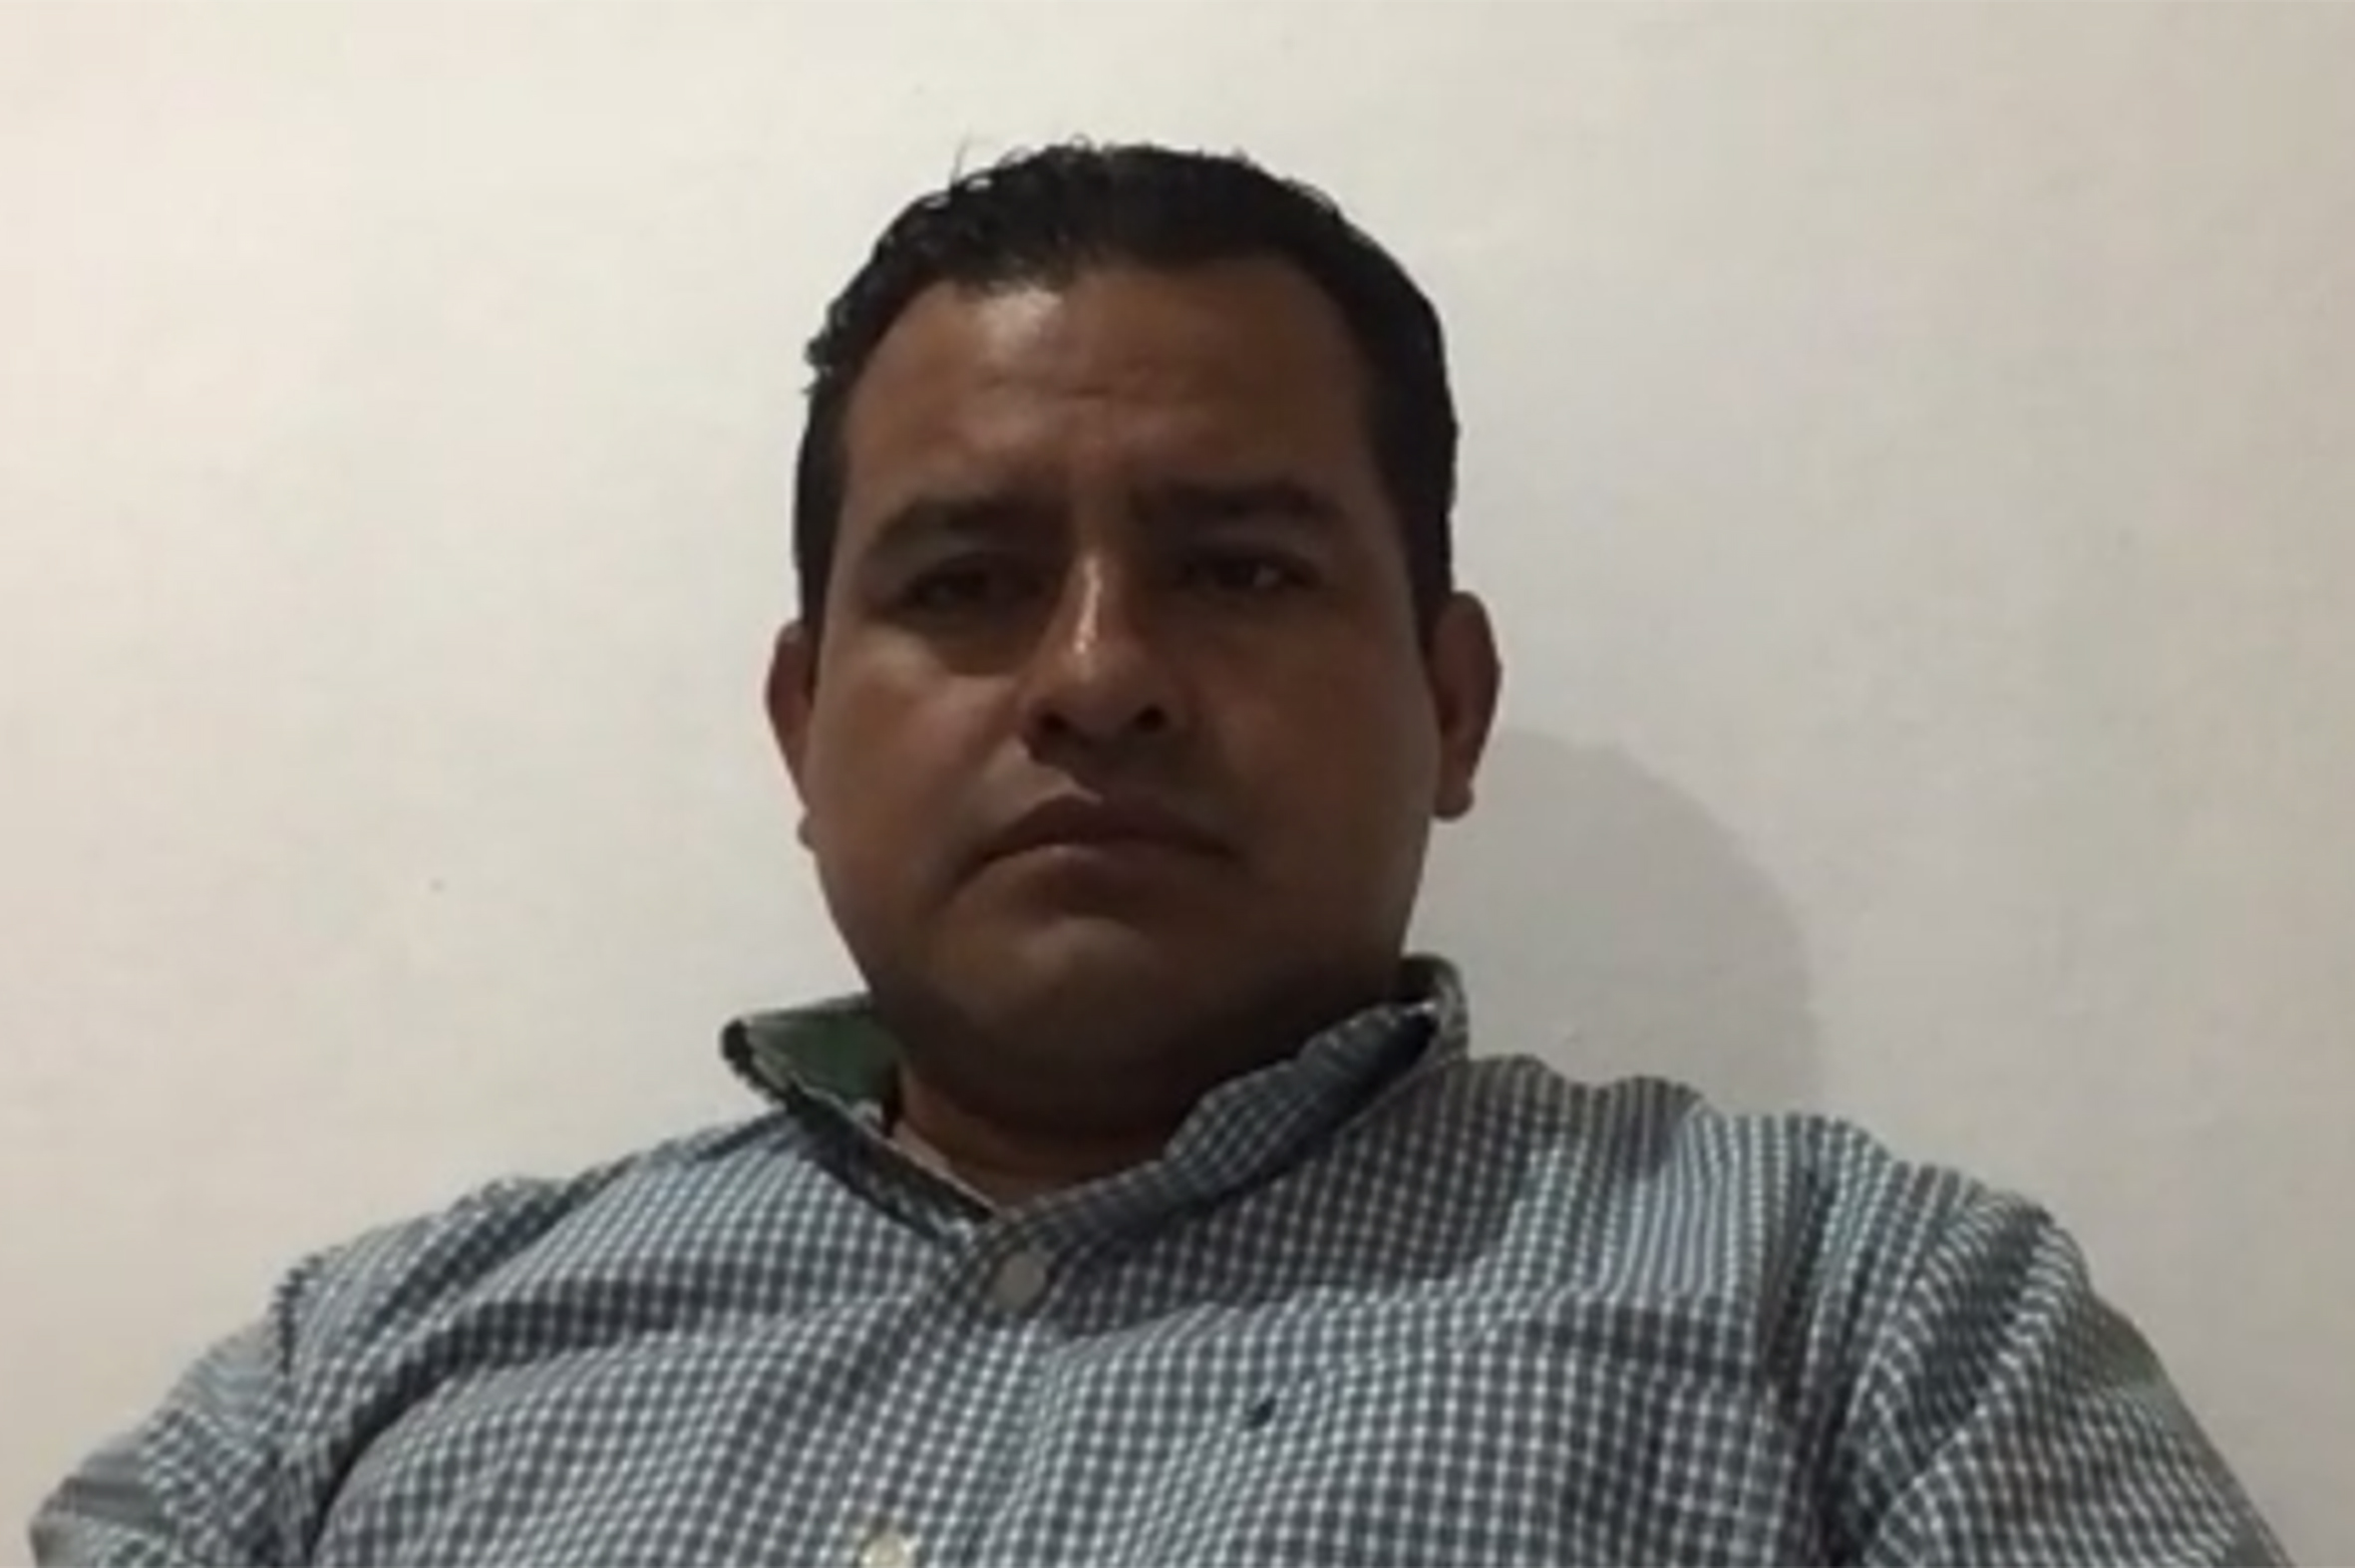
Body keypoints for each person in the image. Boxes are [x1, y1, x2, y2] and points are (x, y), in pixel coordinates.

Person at [33, 142, 2284, 1568]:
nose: (1098, 676)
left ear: (1451, 703)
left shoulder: (1864, 1317)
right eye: (965, 581)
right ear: (801, 727)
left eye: (1238, 569)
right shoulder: (355, 1371)